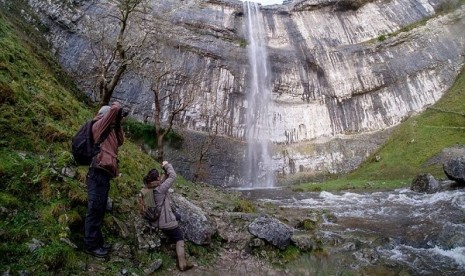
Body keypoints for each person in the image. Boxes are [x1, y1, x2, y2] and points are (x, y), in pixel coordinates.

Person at [84, 101, 125, 258]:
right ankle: (90, 246)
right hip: (97, 172)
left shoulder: (110, 131)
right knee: (94, 209)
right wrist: (117, 108)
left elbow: (121, 141)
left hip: (105, 174)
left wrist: (118, 123)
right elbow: (114, 109)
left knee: (100, 210)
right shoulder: (99, 125)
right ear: (107, 116)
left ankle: (98, 242)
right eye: (113, 118)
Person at [142, 161, 194, 271]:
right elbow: (173, 175)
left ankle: (171, 235)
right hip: (164, 222)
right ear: (156, 179)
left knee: (177, 216)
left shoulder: (147, 187)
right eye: (159, 178)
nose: (160, 179)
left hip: (154, 220)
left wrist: (164, 173)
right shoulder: (160, 189)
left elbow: (163, 180)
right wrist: (167, 165)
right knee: (179, 238)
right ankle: (182, 264)